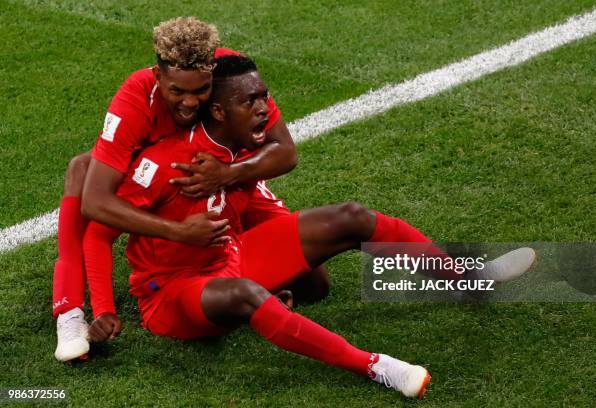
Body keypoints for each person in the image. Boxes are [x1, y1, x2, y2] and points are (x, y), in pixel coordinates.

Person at [84, 55, 536, 399]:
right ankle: (376, 366)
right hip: (173, 293)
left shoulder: (242, 153)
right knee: (247, 296)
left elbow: (283, 160)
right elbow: (97, 228)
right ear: (219, 112)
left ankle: (469, 281)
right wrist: (103, 306)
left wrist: (234, 184)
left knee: (348, 223)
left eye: (264, 96)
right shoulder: (165, 161)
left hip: (232, 257)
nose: (265, 110)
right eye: (251, 102)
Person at [52, 17, 330, 362]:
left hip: (231, 182)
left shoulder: (232, 72)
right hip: (167, 182)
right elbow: (96, 204)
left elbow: (286, 152)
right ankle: (70, 313)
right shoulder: (135, 99)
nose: (189, 103)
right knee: (82, 167)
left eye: (200, 91)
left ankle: (246, 282)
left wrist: (228, 174)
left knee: (316, 286)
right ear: (158, 77)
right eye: (177, 92)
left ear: (212, 74)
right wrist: (177, 231)